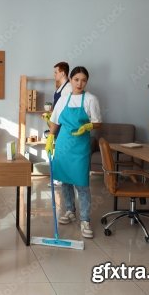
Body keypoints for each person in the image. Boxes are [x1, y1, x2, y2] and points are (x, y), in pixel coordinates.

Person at [45, 66, 101, 238]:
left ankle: (85, 219)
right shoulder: (63, 99)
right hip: (63, 143)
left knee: (82, 183)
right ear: (70, 80)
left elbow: (98, 122)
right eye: (76, 79)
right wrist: (50, 138)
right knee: (66, 181)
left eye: (83, 80)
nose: (80, 83)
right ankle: (70, 211)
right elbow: (55, 121)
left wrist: (89, 125)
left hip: (80, 146)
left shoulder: (91, 99)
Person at [44, 61, 72, 187]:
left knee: (62, 152)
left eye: (56, 72)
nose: (54, 74)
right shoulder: (60, 87)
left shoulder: (68, 88)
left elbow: (66, 109)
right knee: (59, 151)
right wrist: (50, 116)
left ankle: (61, 178)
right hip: (57, 123)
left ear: (63, 73)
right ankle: (60, 177)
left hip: (63, 124)